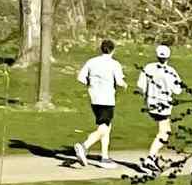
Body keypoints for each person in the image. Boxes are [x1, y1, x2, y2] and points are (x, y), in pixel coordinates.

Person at [72, 38, 126, 167]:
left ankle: (105, 156)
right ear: (113, 50)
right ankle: (84, 146)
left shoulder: (91, 62)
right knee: (104, 128)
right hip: (107, 99)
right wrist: (124, 85)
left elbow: (81, 78)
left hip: (94, 97)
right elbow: (119, 82)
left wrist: (91, 84)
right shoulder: (114, 64)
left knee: (106, 126)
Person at [138, 43, 184, 166]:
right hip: (163, 105)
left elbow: (141, 86)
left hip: (151, 103)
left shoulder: (148, 67)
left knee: (165, 130)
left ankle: (153, 156)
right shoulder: (170, 71)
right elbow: (178, 90)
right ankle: (150, 157)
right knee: (164, 132)